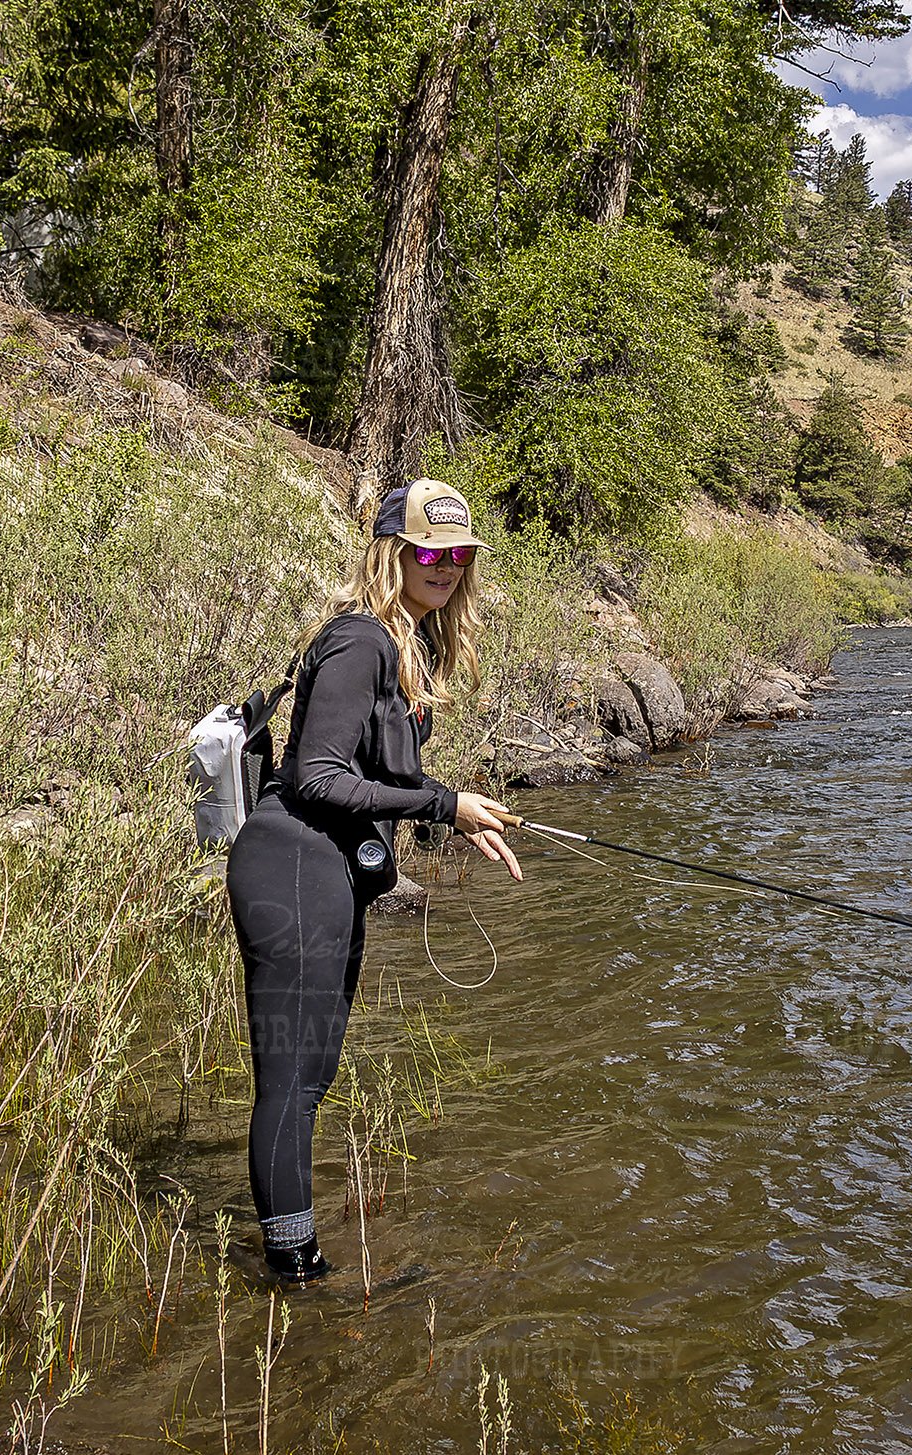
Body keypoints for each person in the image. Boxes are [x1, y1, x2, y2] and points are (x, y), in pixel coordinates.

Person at [225, 477, 523, 1284]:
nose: (446, 566)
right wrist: (443, 803)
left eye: (459, 553)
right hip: (291, 861)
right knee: (291, 1080)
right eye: (430, 550)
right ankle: (296, 1272)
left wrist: (449, 810)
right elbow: (317, 774)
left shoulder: (406, 644)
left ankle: (295, 1268)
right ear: (394, 550)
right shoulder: (361, 640)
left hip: (322, 872)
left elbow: (362, 777)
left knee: (311, 1076)